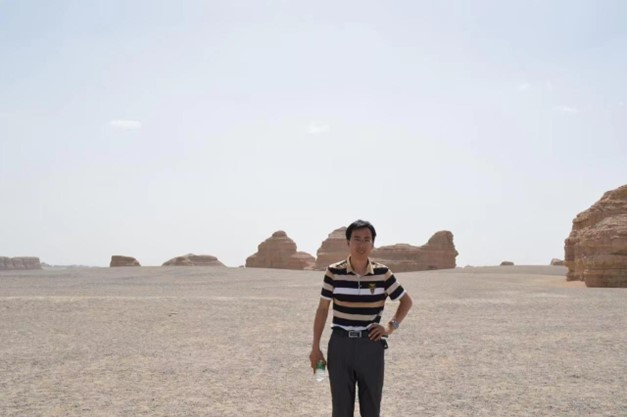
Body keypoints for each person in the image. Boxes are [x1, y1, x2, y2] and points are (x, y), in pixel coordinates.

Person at [309, 219, 413, 417]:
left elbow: (406, 301)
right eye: (356, 239)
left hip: (371, 346)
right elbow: (322, 309)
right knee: (341, 409)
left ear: (372, 244)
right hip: (340, 346)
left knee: (371, 409)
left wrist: (389, 328)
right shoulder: (333, 272)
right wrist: (315, 348)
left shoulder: (383, 273)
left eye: (367, 239)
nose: (361, 244)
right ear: (348, 242)